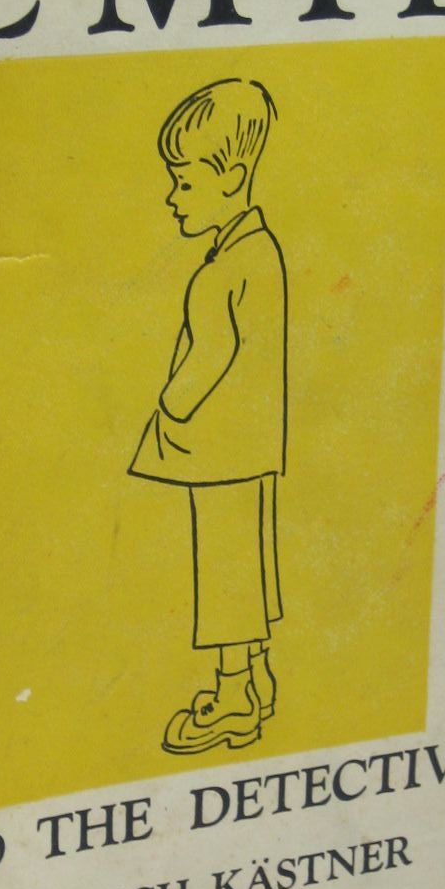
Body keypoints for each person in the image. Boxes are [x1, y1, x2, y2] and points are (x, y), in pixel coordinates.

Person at [129, 77, 286, 755]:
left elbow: (212, 353)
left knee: (226, 572)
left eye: (185, 182)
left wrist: (172, 402)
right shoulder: (258, 251)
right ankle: (255, 677)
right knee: (246, 563)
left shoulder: (227, 268)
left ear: (234, 179)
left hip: (220, 449)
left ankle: (232, 699)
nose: (173, 196)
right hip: (246, 446)